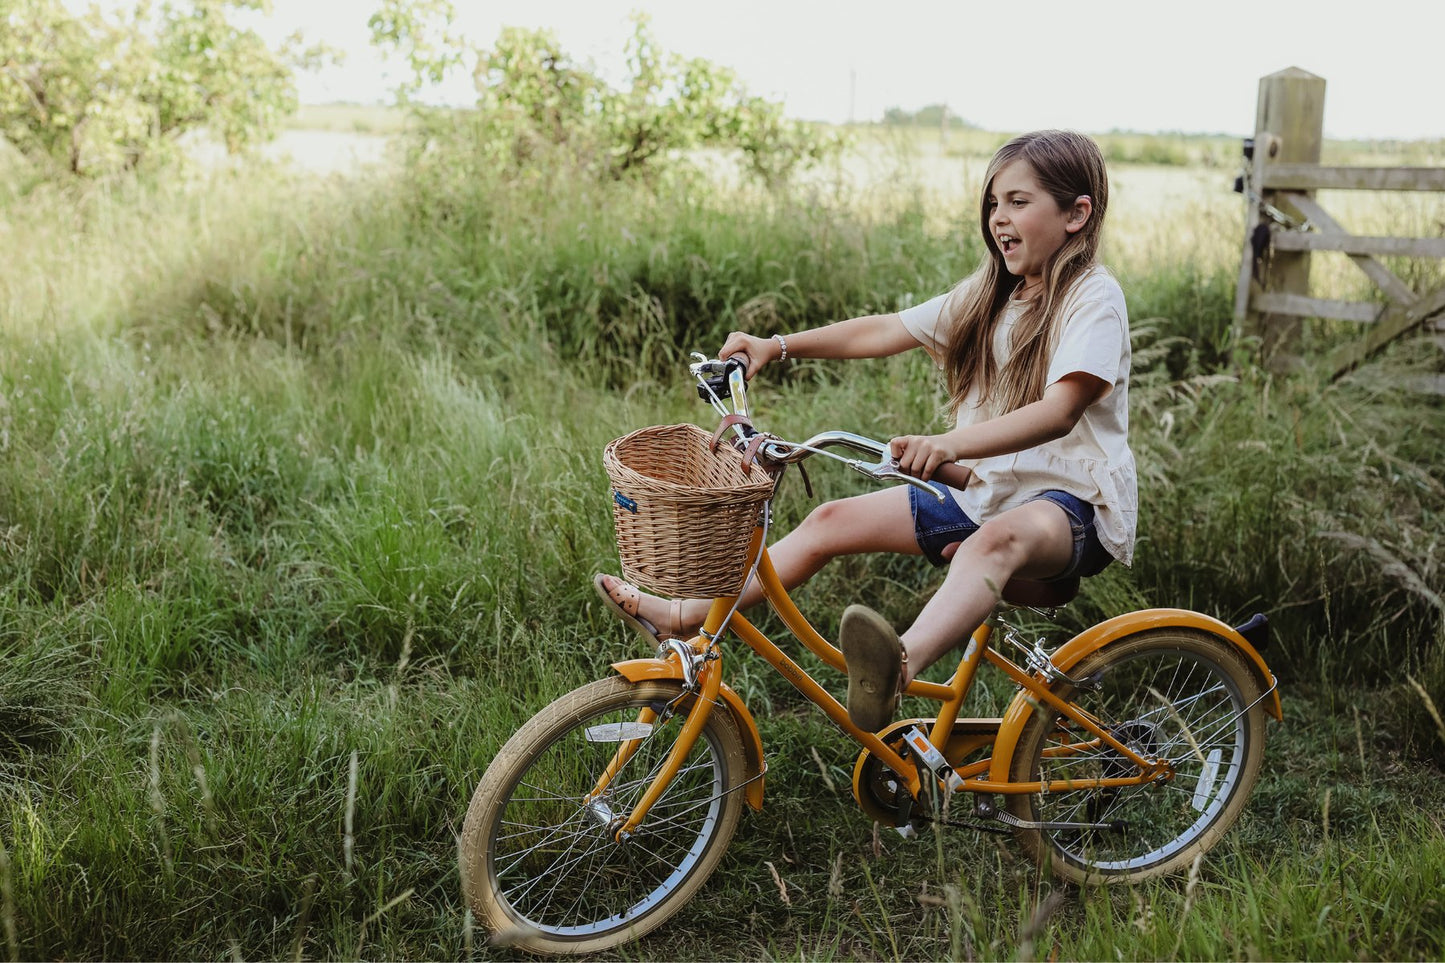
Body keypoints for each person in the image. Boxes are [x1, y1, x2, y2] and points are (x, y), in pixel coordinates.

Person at [595, 129, 1135, 731]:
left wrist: (946, 444)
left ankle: (897, 669)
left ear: (1076, 214)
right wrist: (775, 346)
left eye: (1017, 201)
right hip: (988, 493)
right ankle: (681, 613)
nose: (998, 219)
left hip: (1070, 509)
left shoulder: (1094, 298)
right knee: (830, 521)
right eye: (992, 204)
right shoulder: (994, 296)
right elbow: (884, 331)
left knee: (992, 543)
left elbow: (1061, 409)